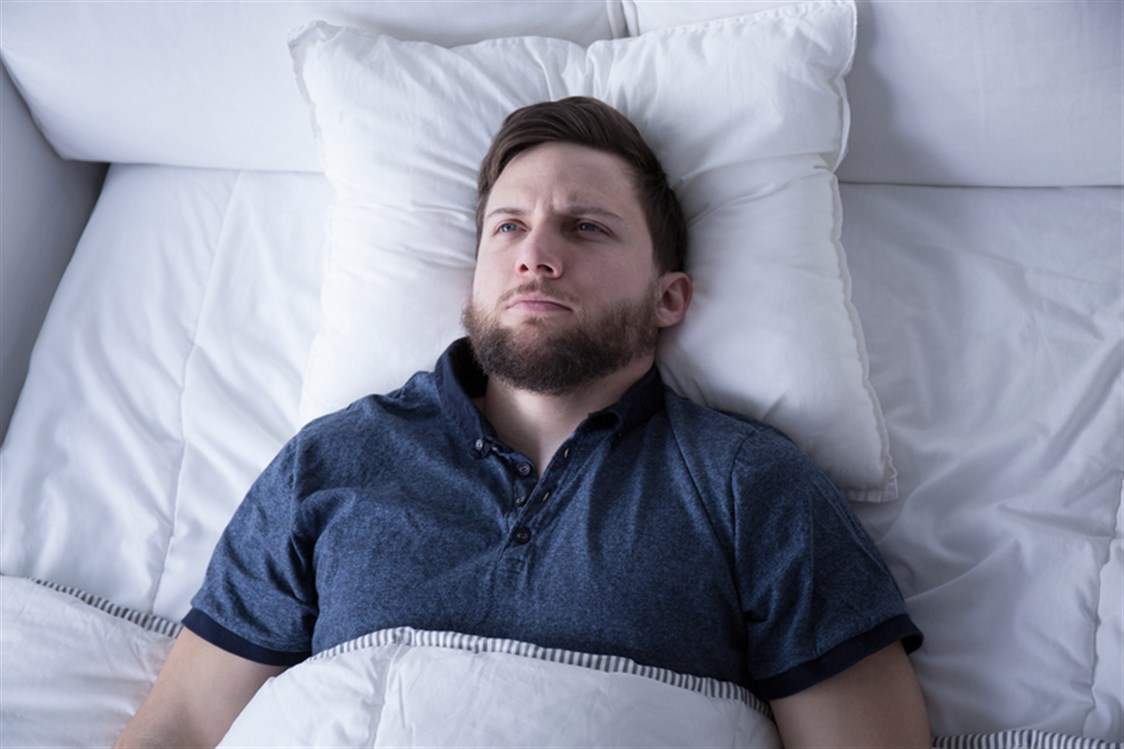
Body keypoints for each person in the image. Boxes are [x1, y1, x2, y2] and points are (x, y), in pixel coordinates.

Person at [116, 96, 930, 748]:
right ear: (473, 280)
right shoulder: (330, 464)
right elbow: (179, 728)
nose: (536, 255)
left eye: (586, 227)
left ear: (668, 297)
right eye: (508, 226)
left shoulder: (753, 486)